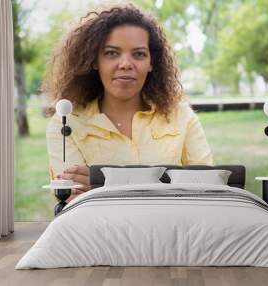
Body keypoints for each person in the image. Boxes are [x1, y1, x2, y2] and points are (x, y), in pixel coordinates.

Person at [44, 4, 213, 202]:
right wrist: (166, 186)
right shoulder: (66, 124)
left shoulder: (182, 117)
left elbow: (207, 189)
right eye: (112, 53)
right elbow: (74, 201)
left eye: (139, 54)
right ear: (94, 60)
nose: (125, 64)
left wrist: (102, 184)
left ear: (151, 63)